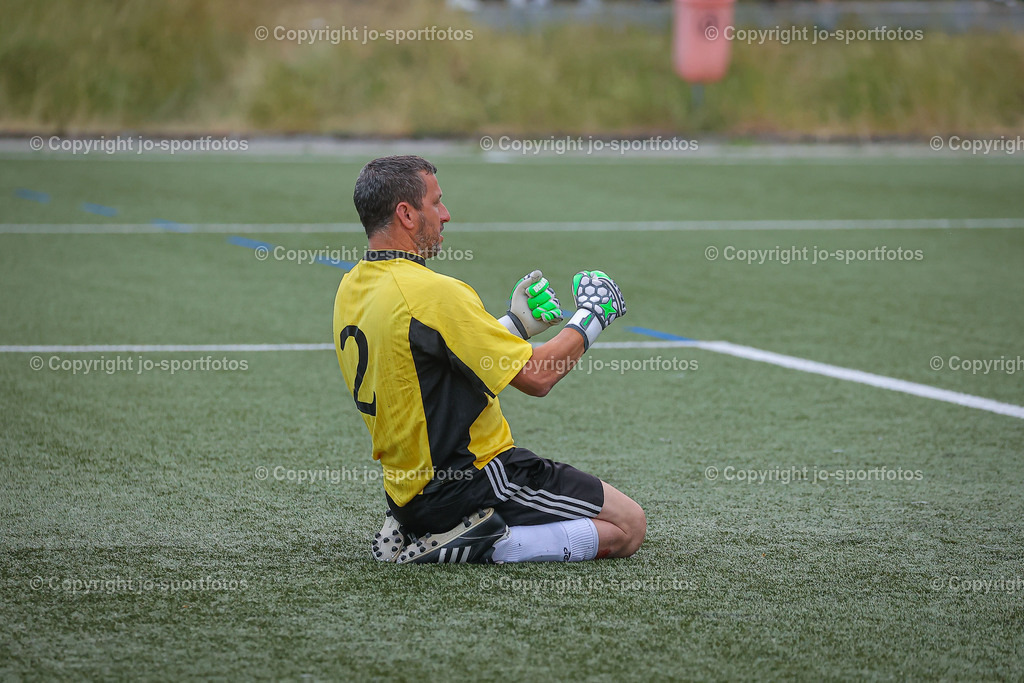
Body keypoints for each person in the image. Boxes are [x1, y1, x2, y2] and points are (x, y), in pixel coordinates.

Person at [333, 155, 645, 564]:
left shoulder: (350, 289)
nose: (445, 215)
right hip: (475, 478)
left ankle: (423, 524)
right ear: (406, 214)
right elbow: (538, 377)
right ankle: (481, 541)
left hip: (408, 488)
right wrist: (593, 315)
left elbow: (428, 365)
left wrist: (514, 325)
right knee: (628, 526)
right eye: (436, 203)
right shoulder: (433, 293)